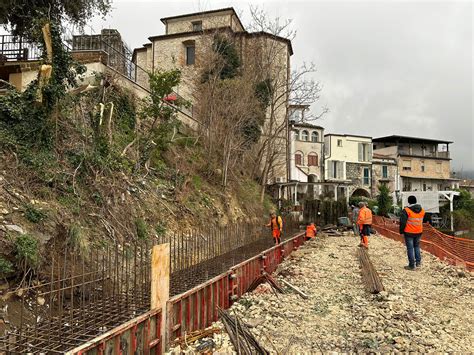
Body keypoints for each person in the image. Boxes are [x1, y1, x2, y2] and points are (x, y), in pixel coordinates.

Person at [400, 195, 425, 270]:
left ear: (408, 201)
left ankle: (411, 265)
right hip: (419, 231)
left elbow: (403, 222)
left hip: (409, 232)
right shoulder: (422, 210)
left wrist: (401, 231)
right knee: (416, 246)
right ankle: (418, 262)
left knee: (410, 248)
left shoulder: (406, 210)